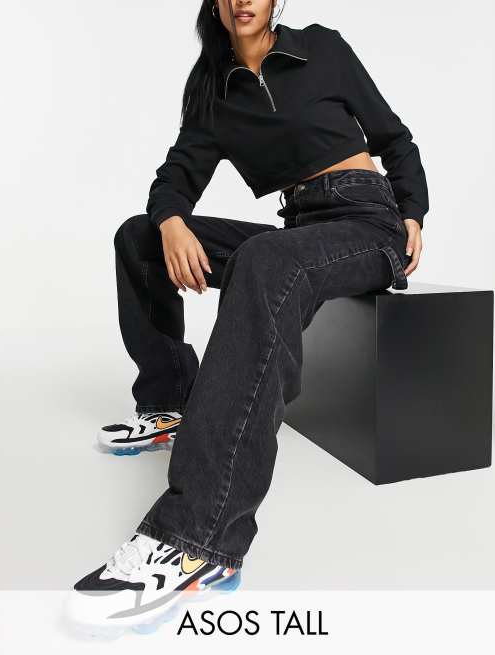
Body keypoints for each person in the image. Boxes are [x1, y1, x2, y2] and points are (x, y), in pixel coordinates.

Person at [66, 0, 428, 636]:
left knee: (265, 261)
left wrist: (412, 214)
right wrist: (171, 220)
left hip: (368, 224)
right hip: (301, 231)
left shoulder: (321, 47)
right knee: (139, 237)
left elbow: (395, 138)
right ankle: (170, 405)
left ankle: (198, 539)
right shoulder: (215, 89)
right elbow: (177, 174)